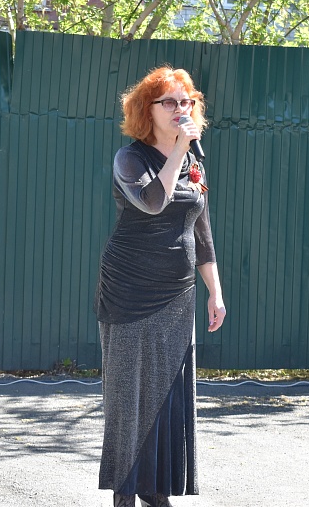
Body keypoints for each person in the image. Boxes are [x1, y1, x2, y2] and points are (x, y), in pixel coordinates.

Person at [94, 66, 227, 507]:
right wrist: (179, 151)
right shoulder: (129, 159)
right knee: (128, 394)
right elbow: (153, 202)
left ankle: (154, 488)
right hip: (130, 289)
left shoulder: (193, 163)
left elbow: (201, 232)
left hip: (178, 291)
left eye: (186, 102)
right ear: (145, 110)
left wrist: (216, 292)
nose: (179, 109)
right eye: (169, 102)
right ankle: (124, 492)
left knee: (168, 392)